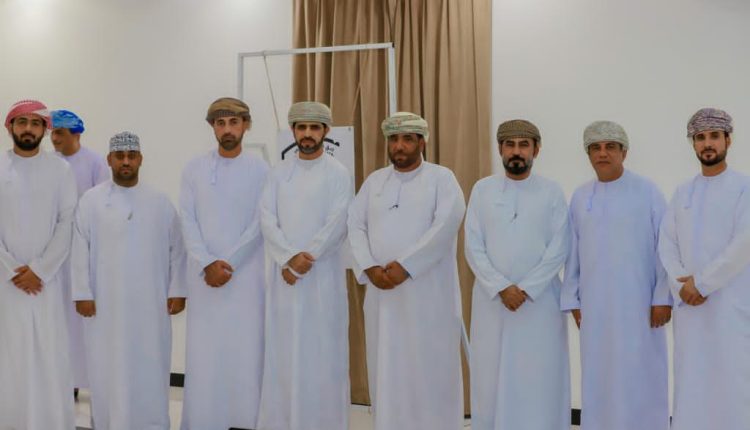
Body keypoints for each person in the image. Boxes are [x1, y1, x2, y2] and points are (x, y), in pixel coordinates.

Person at [348, 112, 466, 430]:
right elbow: (354, 225)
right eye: (394, 139)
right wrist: (370, 267)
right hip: (382, 296)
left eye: (407, 139)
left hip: (428, 295)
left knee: (430, 366)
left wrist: (406, 266)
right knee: (387, 364)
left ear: (422, 142)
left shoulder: (442, 179)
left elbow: (446, 225)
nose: (399, 146)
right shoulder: (374, 182)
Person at [72, 131, 186, 429]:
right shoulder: (91, 202)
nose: (126, 162)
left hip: (151, 306)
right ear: (109, 160)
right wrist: (82, 293)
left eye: (131, 156)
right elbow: (79, 249)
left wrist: (178, 290)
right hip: (104, 306)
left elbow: (177, 249)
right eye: (119, 156)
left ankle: (152, 423)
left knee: (150, 365)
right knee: (106, 368)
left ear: (140, 159)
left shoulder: (160, 202)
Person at [561, 121, 671, 430]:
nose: (602, 153)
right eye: (595, 148)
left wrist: (662, 297)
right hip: (595, 307)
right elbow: (573, 252)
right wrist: (573, 300)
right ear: (588, 154)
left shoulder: (647, 191)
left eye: (610, 147)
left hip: (640, 306)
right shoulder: (581, 197)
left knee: (641, 373)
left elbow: (665, 248)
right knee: (599, 374)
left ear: (624, 152)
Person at [466, 119, 570, 430]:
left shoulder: (551, 191)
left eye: (524, 145)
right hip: (492, 303)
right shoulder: (482, 190)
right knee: (490, 374)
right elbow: (473, 245)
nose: (516, 151)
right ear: (500, 149)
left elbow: (560, 247)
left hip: (539, 304)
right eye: (510, 145)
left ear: (536, 150)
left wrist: (525, 289)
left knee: (538, 375)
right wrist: (501, 287)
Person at [257, 101, 352, 430]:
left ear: (326, 131)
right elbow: (267, 219)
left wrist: (302, 260)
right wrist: (287, 258)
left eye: (314, 127)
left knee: (322, 354)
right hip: (284, 279)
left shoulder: (338, 174)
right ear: (293, 131)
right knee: (283, 353)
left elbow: (337, 223)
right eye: (301, 127)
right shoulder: (277, 174)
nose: (307, 134)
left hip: (321, 278)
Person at [179, 97, 269, 430]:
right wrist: (207, 263)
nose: (227, 129)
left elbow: (261, 222)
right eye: (220, 123)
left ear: (246, 125)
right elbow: (187, 220)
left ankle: (244, 421)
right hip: (205, 280)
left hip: (245, 280)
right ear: (212, 127)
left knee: (245, 352)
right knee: (205, 354)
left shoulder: (261, 170)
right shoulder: (194, 169)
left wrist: (228, 263)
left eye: (233, 122)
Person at [658, 108, 750, 430]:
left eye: (714, 136)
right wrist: (680, 285)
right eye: (700, 138)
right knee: (691, 382)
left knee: (733, 381)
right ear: (693, 144)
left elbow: (743, 245)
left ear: (728, 140)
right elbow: (667, 244)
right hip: (690, 309)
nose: (707, 144)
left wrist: (703, 283)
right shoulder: (683, 192)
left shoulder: (744, 188)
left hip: (729, 306)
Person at [0, 99, 77, 429]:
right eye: (22, 122)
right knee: (9, 357)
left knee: (48, 353)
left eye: (35, 123)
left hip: (47, 282)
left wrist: (40, 270)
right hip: (5, 284)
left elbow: (67, 221)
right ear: (10, 128)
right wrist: (10, 270)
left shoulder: (60, 170)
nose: (28, 128)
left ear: (45, 129)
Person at [50, 109, 109, 394]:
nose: (54, 138)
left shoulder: (95, 163)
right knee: (58, 319)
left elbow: (104, 206)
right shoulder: (49, 164)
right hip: (55, 255)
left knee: (82, 322)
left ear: (76, 134)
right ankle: (63, 381)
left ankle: (87, 380)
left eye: (59, 133)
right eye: (53, 132)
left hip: (85, 252)